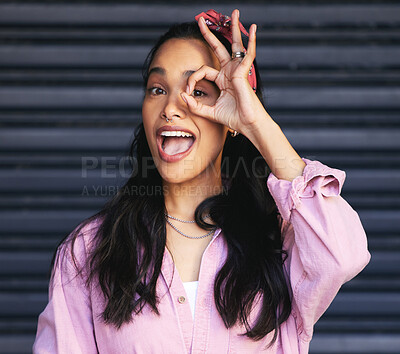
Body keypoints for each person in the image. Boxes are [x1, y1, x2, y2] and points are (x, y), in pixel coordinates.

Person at [33, 9, 371, 353]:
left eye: (197, 90)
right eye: (157, 88)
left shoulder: (280, 242)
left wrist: (255, 122)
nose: (170, 107)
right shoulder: (89, 251)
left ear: (230, 110)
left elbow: (343, 255)